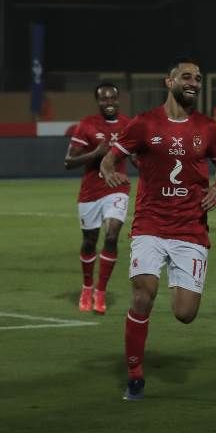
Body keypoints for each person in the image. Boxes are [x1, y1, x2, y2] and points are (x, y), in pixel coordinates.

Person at [100, 57, 216, 401]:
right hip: (151, 223)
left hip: (190, 227)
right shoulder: (144, 124)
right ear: (169, 81)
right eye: (186, 76)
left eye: (198, 78)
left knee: (185, 313)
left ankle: (178, 283)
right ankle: (135, 375)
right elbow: (110, 158)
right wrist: (109, 170)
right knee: (142, 294)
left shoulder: (208, 127)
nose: (194, 82)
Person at [64, 82, 132, 315]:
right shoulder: (87, 125)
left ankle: (100, 292)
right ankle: (87, 288)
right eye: (104, 99)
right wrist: (95, 153)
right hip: (91, 192)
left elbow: (137, 158)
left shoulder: (128, 125)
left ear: (118, 100)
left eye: (113, 98)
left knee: (111, 236)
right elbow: (68, 162)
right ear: (98, 101)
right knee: (89, 241)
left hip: (117, 188)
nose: (109, 103)